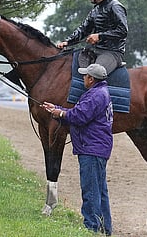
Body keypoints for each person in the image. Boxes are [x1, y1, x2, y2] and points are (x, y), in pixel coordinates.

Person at [41, 64, 114, 235]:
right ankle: (105, 228)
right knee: (100, 191)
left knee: (90, 191)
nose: (83, 78)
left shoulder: (95, 95)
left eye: (85, 76)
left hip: (91, 150)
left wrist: (60, 114)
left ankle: (91, 228)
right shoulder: (99, 93)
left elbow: (79, 117)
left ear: (91, 79)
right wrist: (57, 110)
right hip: (97, 149)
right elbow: (78, 112)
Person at [56, 0, 128, 75]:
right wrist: (67, 42)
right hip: (94, 51)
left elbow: (123, 31)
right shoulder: (95, 10)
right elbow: (83, 30)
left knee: (94, 74)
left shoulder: (115, 6)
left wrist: (99, 36)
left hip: (112, 53)